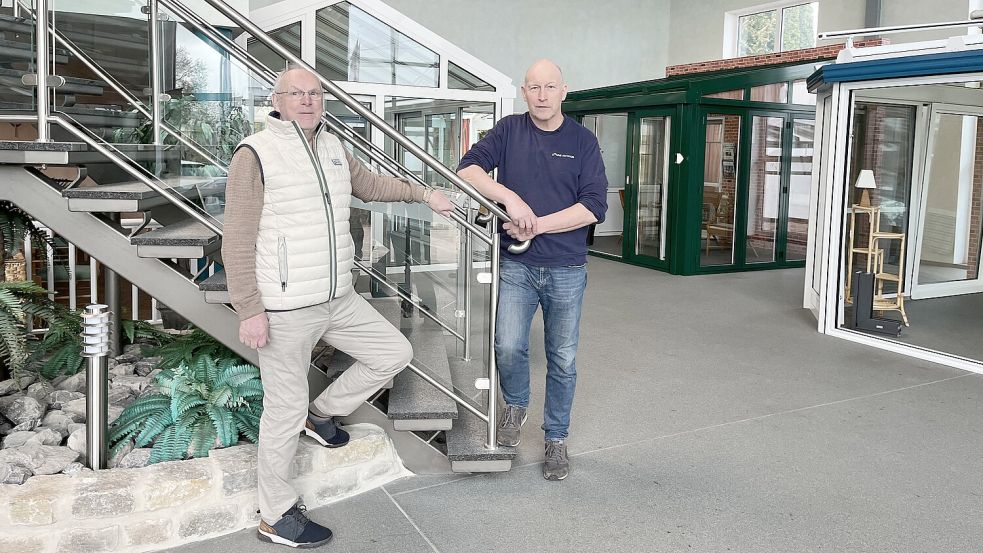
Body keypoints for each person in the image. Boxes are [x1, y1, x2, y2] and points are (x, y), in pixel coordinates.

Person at [222, 66, 454, 548]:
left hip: (338, 297)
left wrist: (423, 193)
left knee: (392, 353)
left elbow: (370, 186)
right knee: (281, 412)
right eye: (296, 93)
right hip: (285, 306)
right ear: (278, 100)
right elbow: (239, 236)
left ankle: (322, 412)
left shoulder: (332, 146)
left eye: (315, 93)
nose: (307, 100)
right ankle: (275, 515)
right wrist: (249, 307)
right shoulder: (256, 153)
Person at [457, 59, 607, 481]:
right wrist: (511, 199)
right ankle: (516, 406)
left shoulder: (583, 141)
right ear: (524, 92)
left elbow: (594, 207)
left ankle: (556, 438)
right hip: (517, 265)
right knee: (507, 346)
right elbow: (467, 169)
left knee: (562, 357)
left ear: (564, 90)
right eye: (534, 87)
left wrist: (537, 224)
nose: (542, 95)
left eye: (550, 87)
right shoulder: (508, 130)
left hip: (565, 267)